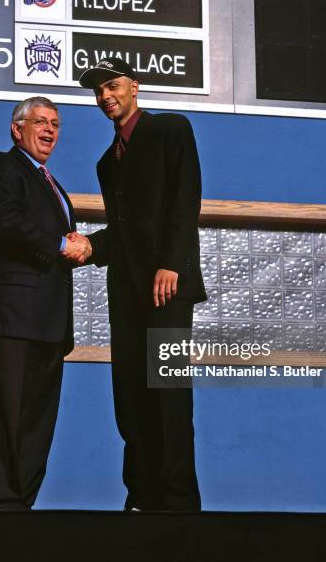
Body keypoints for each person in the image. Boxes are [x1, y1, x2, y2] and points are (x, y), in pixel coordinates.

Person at [75, 59, 207, 511]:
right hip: (126, 292)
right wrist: (88, 246)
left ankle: (178, 503)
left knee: (167, 394)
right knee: (130, 393)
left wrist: (172, 263)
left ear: (135, 86)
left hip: (168, 289)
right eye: (98, 91)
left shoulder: (172, 129)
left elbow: (184, 200)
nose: (105, 96)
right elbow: (124, 231)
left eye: (112, 85)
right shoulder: (106, 163)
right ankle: (142, 497)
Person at [0, 96, 90, 510]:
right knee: (4, 417)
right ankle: (4, 509)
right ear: (18, 129)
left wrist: (84, 246)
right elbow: (7, 220)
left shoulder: (54, 185)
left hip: (49, 321)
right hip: (8, 315)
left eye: (56, 123)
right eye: (41, 121)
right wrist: (60, 244)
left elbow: (65, 243)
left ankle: (23, 508)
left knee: (37, 423)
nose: (50, 129)